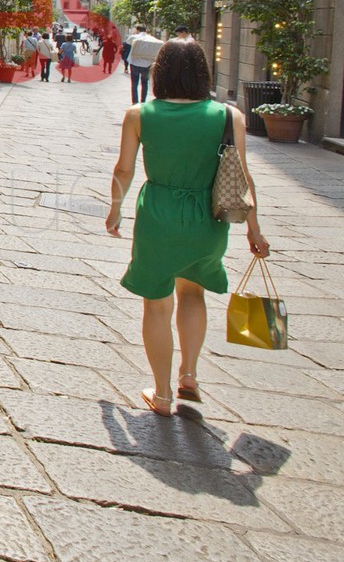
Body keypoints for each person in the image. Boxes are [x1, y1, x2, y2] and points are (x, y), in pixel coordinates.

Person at [105, 38, 270, 417]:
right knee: (193, 293)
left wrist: (115, 209)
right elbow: (243, 178)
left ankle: (162, 394)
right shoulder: (228, 116)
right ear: (202, 73)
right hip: (207, 220)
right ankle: (190, 374)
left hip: (158, 216)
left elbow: (124, 169)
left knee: (156, 305)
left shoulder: (140, 114)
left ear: (159, 72)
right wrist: (254, 230)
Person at [125, 25, 162, 103]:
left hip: (135, 63)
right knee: (144, 83)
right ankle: (143, 101)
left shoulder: (134, 37)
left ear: (137, 30)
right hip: (147, 64)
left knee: (134, 83)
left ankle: (135, 101)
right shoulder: (152, 39)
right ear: (146, 30)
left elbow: (127, 42)